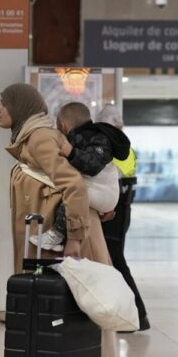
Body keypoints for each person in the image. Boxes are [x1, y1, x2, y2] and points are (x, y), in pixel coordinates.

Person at [0, 83, 119, 357]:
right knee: (68, 307)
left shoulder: (39, 138)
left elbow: (74, 186)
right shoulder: (32, 138)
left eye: (3, 104)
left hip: (62, 242)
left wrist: (75, 238)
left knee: (83, 306)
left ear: (19, 107)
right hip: (48, 239)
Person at [30, 102, 130, 252]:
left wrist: (71, 152)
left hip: (105, 193)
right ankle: (60, 238)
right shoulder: (85, 137)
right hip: (102, 193)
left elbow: (93, 166)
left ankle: (56, 235)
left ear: (62, 125)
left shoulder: (97, 138)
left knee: (74, 194)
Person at [99, 107, 150, 332]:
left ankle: (138, 315)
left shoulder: (118, 148)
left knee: (116, 261)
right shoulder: (124, 146)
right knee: (113, 261)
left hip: (116, 212)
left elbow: (107, 176)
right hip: (119, 210)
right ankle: (131, 314)